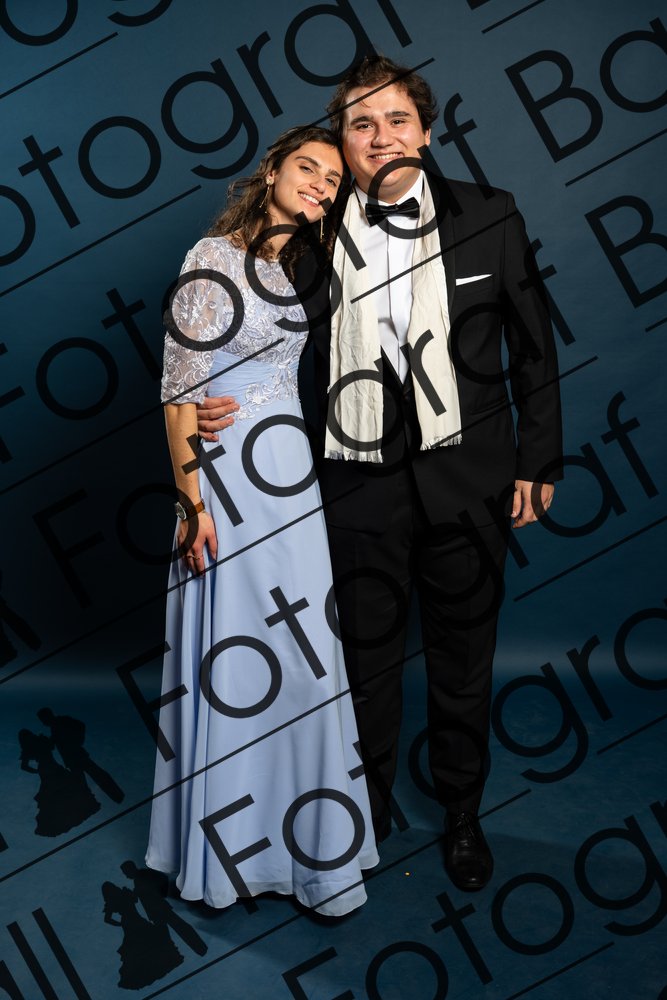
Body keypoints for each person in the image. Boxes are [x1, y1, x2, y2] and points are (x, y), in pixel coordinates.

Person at [197, 57, 563, 893]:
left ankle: (462, 815)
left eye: (396, 119)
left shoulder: (490, 213)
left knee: (463, 659)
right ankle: (358, 819)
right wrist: (209, 400)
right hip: (355, 482)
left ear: (424, 132)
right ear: (343, 141)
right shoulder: (312, 227)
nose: (380, 136)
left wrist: (538, 458)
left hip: (470, 476)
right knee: (362, 665)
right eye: (360, 124)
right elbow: (249, 325)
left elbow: (533, 345)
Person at [146, 125, 379, 917]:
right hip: (231, 486)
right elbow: (179, 393)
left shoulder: (289, 267)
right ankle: (227, 858)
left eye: (332, 179)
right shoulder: (211, 259)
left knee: (303, 655)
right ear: (271, 170)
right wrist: (192, 503)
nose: (319, 183)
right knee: (237, 661)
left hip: (291, 482)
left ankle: (311, 853)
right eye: (306, 167)